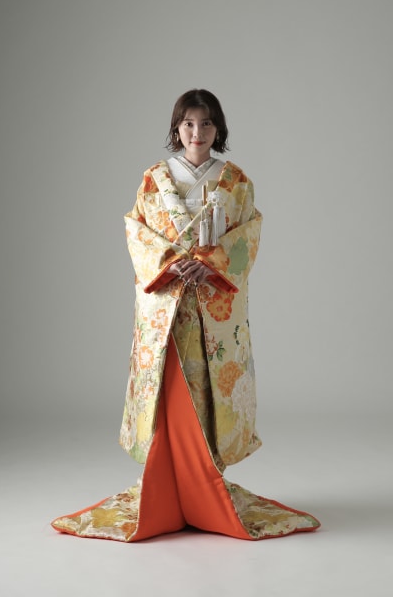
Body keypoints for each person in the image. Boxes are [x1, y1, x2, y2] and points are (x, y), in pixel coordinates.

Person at [51, 89, 320, 541]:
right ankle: (168, 488)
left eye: (207, 123)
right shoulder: (154, 180)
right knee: (168, 388)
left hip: (212, 307)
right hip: (167, 304)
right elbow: (137, 230)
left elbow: (248, 233)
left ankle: (202, 487)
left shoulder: (235, 181)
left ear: (219, 129)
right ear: (177, 128)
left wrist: (212, 264)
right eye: (189, 123)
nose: (198, 132)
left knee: (208, 391)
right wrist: (169, 263)